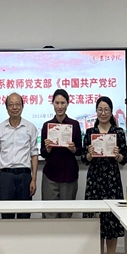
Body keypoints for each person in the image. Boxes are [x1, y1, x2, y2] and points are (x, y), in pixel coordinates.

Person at [81, 96, 127, 254]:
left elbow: (124, 159)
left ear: (111, 111)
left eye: (106, 109)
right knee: (97, 222)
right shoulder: (90, 133)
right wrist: (90, 154)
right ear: (96, 111)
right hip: (95, 181)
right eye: (100, 109)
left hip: (112, 180)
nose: (103, 112)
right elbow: (84, 159)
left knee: (112, 222)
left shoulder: (119, 132)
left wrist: (118, 155)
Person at [0, 93, 39, 219]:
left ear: (22, 106)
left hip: (25, 176)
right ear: (6, 107)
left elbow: (34, 154)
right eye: (11, 104)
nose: (14, 107)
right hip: (6, 176)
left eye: (17, 104)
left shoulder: (30, 127)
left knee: (24, 216)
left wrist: (34, 179)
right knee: (7, 216)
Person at [40, 89, 82, 218]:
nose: (59, 106)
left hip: (69, 176)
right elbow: (42, 152)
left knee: (66, 214)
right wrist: (47, 149)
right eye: (57, 103)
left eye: (62, 103)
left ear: (67, 104)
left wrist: (73, 149)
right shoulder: (47, 125)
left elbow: (80, 150)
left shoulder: (74, 125)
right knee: (49, 214)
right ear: (52, 103)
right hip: (50, 175)